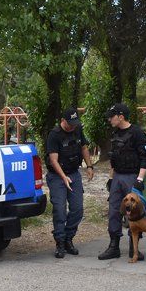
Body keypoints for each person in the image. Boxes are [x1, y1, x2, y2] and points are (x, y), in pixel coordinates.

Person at [98, 103, 146, 261]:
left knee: (134, 212)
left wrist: (140, 179)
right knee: (114, 210)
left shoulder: (137, 133)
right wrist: (111, 177)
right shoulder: (115, 133)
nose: (109, 119)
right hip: (117, 176)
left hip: (132, 177)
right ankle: (113, 246)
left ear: (121, 116)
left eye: (112, 116)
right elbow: (114, 157)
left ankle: (133, 248)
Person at [45, 108, 94, 258]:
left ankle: (68, 238)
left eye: (75, 124)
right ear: (63, 120)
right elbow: (53, 160)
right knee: (59, 210)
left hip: (74, 174)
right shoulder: (54, 135)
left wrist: (89, 166)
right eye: (70, 124)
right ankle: (60, 242)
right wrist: (63, 177)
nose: (73, 127)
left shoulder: (77, 129)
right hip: (57, 176)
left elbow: (84, 147)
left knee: (77, 209)